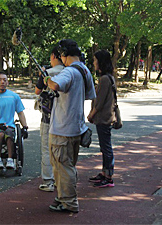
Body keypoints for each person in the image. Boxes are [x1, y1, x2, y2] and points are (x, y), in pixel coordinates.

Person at [44, 39, 96, 213]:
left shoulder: (70, 72)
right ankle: (63, 196)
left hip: (62, 129)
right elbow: (90, 95)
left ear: (65, 55)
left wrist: (48, 80)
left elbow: (56, 85)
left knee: (62, 166)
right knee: (67, 165)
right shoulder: (85, 70)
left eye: (62, 57)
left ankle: (69, 202)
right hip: (76, 128)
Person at [35, 46, 64, 192]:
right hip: (64, 118)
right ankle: (62, 181)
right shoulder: (69, 72)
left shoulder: (47, 73)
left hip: (47, 116)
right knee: (62, 150)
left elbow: (37, 90)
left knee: (47, 149)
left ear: (53, 56)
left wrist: (42, 74)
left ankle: (48, 181)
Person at [87, 49, 115, 188]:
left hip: (103, 118)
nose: (94, 63)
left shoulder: (105, 79)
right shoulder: (108, 78)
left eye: (95, 60)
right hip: (105, 117)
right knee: (104, 147)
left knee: (106, 147)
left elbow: (99, 102)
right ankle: (105, 173)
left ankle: (109, 176)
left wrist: (91, 114)